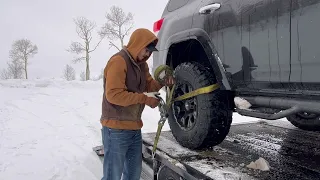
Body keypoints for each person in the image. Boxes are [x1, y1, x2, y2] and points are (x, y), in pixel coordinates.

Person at [100, 28, 174, 180]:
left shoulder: (142, 65)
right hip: (115, 130)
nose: (148, 55)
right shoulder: (118, 61)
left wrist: (162, 81)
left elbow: (149, 87)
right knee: (112, 176)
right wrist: (145, 99)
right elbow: (114, 95)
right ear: (137, 44)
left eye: (150, 52)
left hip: (134, 129)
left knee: (133, 175)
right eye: (146, 50)